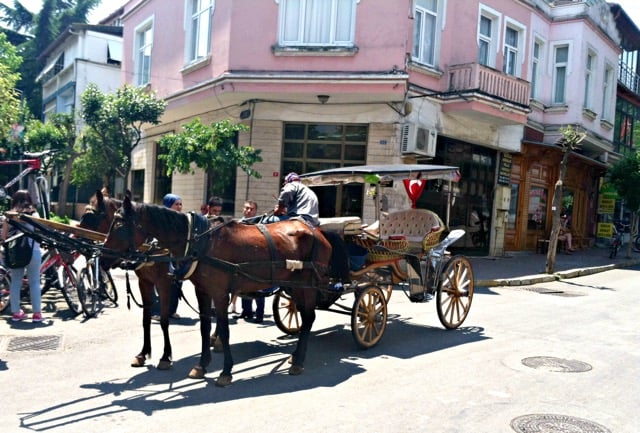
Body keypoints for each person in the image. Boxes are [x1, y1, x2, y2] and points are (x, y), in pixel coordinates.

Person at [1, 190, 44, 322]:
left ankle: (16, 313)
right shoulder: (34, 214)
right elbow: (41, 231)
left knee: (15, 282)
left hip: (15, 253)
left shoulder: (9, 216)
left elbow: (3, 236)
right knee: (35, 282)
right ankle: (37, 314)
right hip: (33, 251)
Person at [152, 193, 184, 320]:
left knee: (177, 284)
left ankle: (171, 311)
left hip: (177, 257)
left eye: (181, 204)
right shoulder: (161, 219)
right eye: (176, 204)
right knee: (162, 286)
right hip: (162, 257)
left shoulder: (181, 219)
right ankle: (158, 312)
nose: (179, 207)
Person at [238, 200, 265, 322]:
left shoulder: (260, 224)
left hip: (256, 260)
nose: (248, 211)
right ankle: (246, 311)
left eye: (251, 209)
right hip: (242, 259)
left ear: (255, 211)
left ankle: (259, 314)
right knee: (243, 286)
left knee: (258, 287)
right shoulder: (239, 224)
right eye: (246, 208)